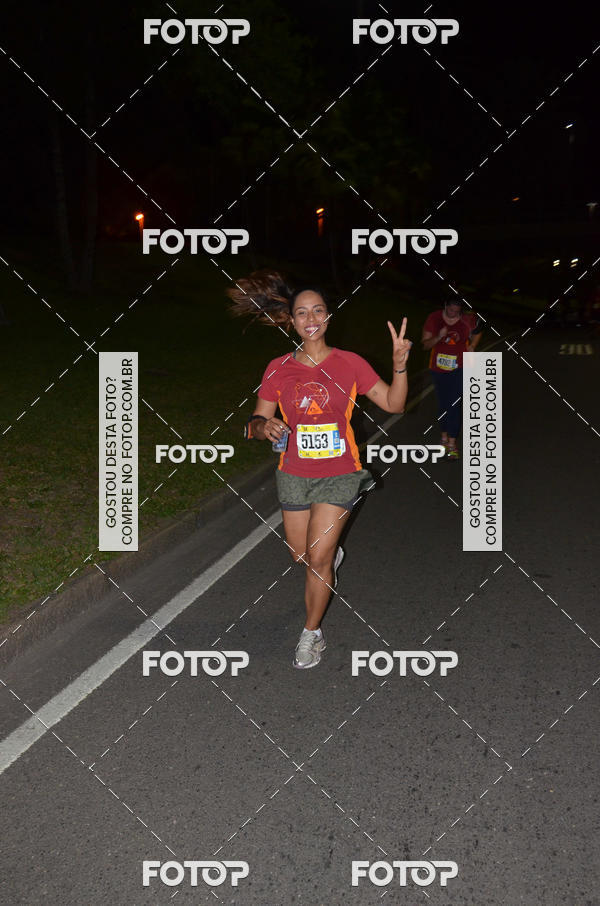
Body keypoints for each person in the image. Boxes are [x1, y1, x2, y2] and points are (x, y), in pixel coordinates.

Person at [228, 271, 411, 669]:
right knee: (301, 555)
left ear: (328, 317)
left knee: (319, 559)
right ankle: (327, 556)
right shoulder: (278, 368)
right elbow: (252, 424)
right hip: (293, 473)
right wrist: (264, 427)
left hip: (340, 473)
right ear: (291, 321)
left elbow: (394, 405)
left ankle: (311, 634)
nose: (311, 318)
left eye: (318, 310)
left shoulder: (350, 363)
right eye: (302, 313)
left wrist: (399, 366)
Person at [422, 300, 483, 460]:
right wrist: (438, 337)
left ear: (460, 311)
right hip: (438, 368)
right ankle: (443, 437)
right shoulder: (434, 318)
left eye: (456, 312)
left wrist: (473, 345)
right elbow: (425, 345)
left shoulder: (468, 319)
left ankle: (452, 443)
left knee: (455, 403)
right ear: (445, 306)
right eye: (450, 311)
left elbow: (478, 331)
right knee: (443, 404)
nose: (453, 314)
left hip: (460, 367)